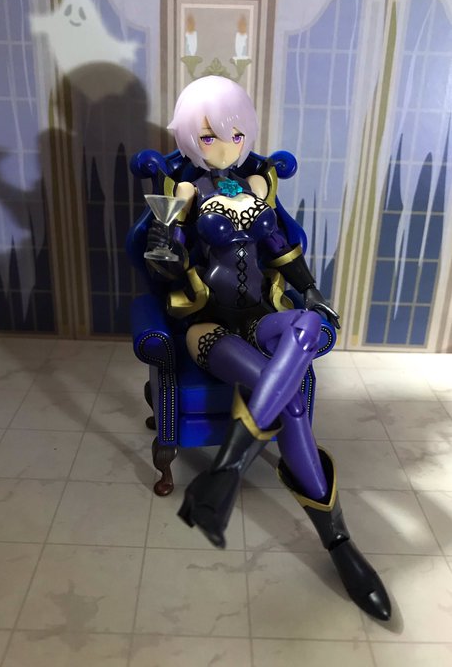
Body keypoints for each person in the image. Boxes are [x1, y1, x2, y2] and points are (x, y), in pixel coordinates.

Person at [145, 75, 391, 621]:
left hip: (260, 317)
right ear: (190, 139)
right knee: (292, 404)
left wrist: (314, 291)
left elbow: (281, 251)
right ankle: (339, 543)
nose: (225, 146)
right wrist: (168, 245)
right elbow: (164, 261)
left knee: (306, 323)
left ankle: (226, 471)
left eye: (236, 133)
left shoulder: (258, 184)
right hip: (208, 325)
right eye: (209, 136)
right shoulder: (182, 191)